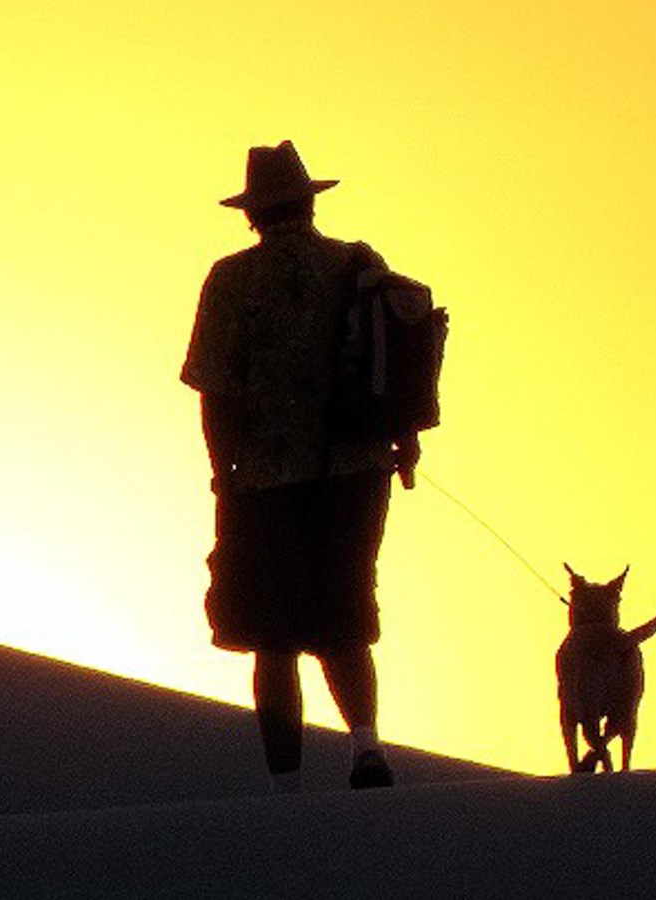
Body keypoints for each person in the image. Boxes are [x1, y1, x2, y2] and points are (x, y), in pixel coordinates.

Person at [180, 141, 419, 791]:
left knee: (272, 629)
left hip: (263, 479)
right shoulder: (359, 264)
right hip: (355, 474)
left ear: (252, 214)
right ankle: (366, 746)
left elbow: (214, 389)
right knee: (344, 611)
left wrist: (220, 471)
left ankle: (285, 784)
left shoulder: (231, 280)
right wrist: (403, 442)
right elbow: (394, 360)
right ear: (311, 201)